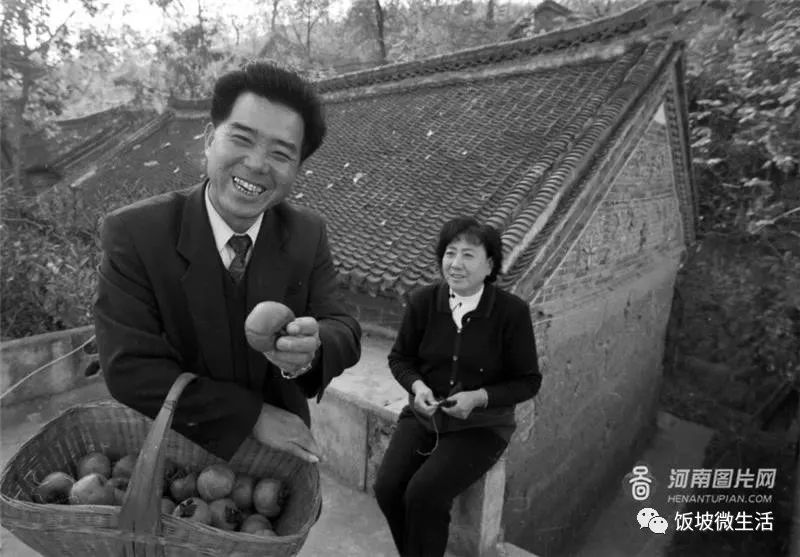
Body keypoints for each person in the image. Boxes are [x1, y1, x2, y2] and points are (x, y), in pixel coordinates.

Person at [93, 61, 361, 463]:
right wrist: (250, 416)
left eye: (281, 153)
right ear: (208, 139)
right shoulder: (134, 234)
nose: (256, 164)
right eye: (242, 138)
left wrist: (313, 347)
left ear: (297, 169)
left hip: (283, 458)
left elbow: (344, 329)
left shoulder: (307, 233)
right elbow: (128, 368)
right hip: (176, 450)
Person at [374, 216, 542, 557]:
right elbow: (400, 359)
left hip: (481, 426)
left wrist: (479, 398)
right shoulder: (423, 302)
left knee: (424, 494)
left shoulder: (512, 313)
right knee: (388, 487)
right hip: (424, 416)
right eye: (450, 253)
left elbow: (528, 382)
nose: (455, 264)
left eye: (468, 255)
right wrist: (418, 387)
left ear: (489, 264)